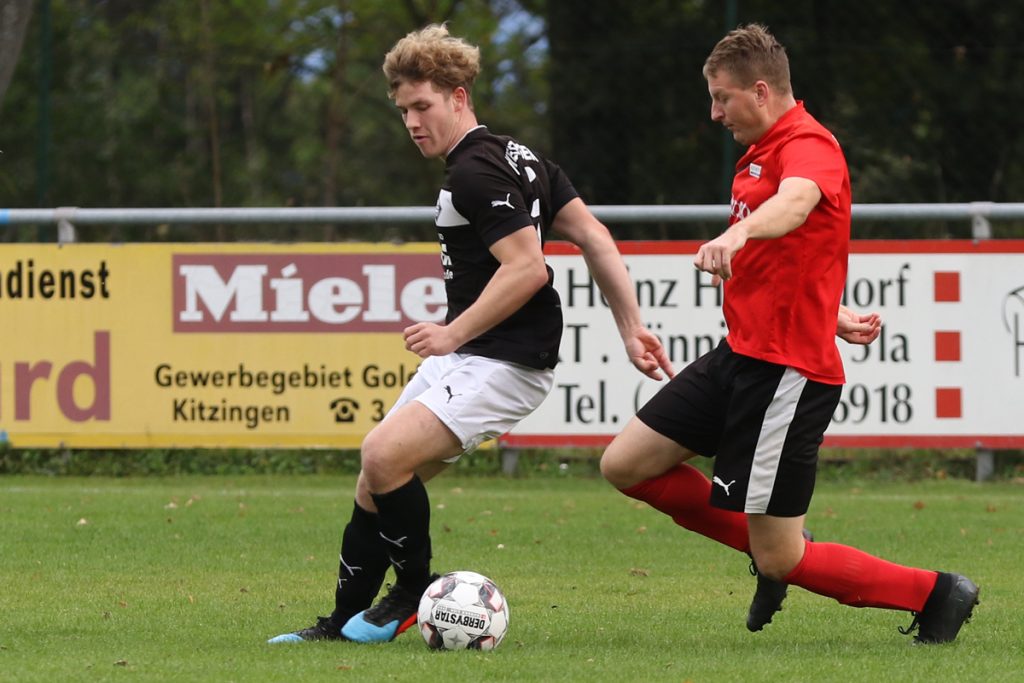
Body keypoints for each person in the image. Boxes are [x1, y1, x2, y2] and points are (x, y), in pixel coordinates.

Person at [269, 23, 674, 644]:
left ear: (459, 96)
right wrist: (631, 328)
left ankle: (411, 593)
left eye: (422, 106)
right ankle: (339, 626)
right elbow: (593, 236)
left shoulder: (475, 172)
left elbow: (528, 268)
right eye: (403, 110)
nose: (412, 122)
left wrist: (452, 333)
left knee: (382, 454)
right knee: (377, 478)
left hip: (506, 360)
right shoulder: (517, 156)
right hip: (479, 355)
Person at [599, 24, 979, 644]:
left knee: (780, 558)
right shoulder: (759, 149)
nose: (714, 113)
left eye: (722, 98)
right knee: (626, 465)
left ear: (760, 90)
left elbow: (797, 203)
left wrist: (736, 234)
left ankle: (935, 593)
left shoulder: (808, 144)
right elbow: (795, 255)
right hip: (739, 355)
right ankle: (774, 544)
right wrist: (828, 311)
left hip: (786, 376)